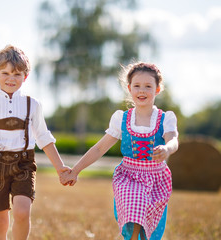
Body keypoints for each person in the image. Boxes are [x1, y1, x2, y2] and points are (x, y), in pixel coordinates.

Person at [0, 45, 70, 240]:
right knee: (0, 221)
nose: (11, 79)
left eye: (17, 74)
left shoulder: (33, 105)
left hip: (24, 164)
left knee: (22, 212)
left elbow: (44, 137)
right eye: (5, 73)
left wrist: (60, 167)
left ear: (25, 77)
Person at [61, 62, 179, 240]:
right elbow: (99, 148)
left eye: (148, 86)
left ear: (157, 89)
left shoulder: (165, 119)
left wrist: (166, 149)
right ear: (130, 88)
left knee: (151, 231)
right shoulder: (122, 119)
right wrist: (75, 170)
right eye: (137, 86)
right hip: (129, 176)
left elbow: (173, 140)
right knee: (135, 209)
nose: (142, 91)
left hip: (156, 178)